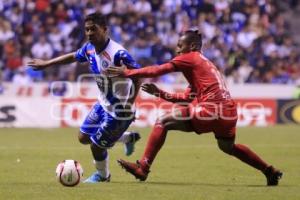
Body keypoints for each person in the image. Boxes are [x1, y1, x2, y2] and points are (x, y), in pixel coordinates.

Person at [108, 30, 283, 186]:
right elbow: (186, 99)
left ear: (191, 46)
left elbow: (158, 70)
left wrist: (127, 73)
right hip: (229, 113)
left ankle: (143, 167)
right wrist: (160, 93)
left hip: (211, 110)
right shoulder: (204, 66)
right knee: (228, 147)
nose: (177, 51)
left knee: (163, 121)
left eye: (180, 46)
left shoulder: (190, 58)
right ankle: (269, 170)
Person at [27, 13, 141, 183]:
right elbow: (73, 56)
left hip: (120, 110)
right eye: (87, 29)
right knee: (83, 138)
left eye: (93, 29)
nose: (89, 33)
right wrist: (47, 63)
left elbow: (138, 76)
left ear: (105, 29)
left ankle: (103, 176)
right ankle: (127, 137)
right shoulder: (89, 48)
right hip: (103, 103)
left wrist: (129, 104)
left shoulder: (118, 53)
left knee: (96, 146)